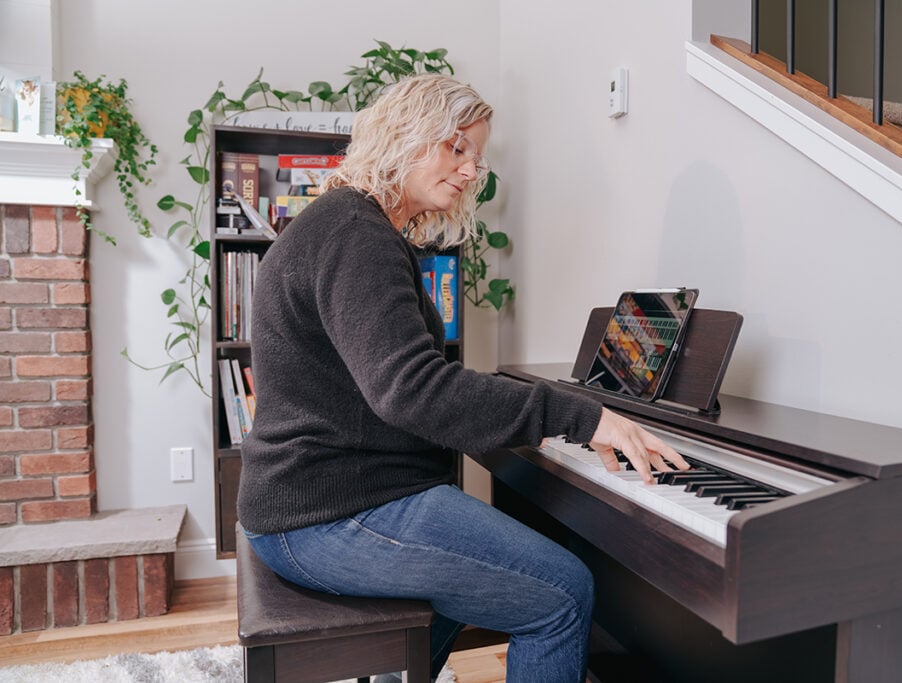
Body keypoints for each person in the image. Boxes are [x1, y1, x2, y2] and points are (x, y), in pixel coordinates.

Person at [237, 73, 689, 683]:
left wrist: (544, 420)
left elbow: (408, 387)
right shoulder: (356, 236)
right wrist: (585, 416)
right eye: (457, 147)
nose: (472, 170)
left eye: (476, 155)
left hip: (324, 499)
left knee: (494, 576)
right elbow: (413, 389)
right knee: (560, 593)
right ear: (405, 135)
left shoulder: (350, 226)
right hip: (326, 514)